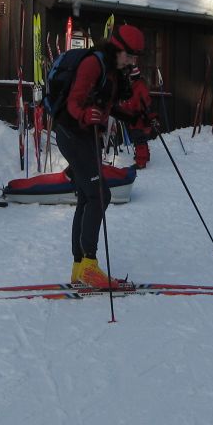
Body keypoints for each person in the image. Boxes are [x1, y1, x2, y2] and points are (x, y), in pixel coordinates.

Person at [55, 23, 144, 288]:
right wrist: (84, 114)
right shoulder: (93, 64)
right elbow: (74, 102)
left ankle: (79, 268)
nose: (132, 60)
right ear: (116, 48)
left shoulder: (115, 70)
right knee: (99, 194)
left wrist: (138, 117)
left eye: (135, 56)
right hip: (73, 134)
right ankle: (89, 266)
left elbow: (109, 104)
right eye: (129, 55)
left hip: (88, 136)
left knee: (87, 197)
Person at [117, 65, 159, 169]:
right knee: (142, 140)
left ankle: (141, 161)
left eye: (129, 77)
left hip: (140, 120)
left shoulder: (137, 88)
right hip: (142, 119)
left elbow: (135, 103)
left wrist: (124, 106)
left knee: (139, 140)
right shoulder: (139, 86)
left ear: (132, 78)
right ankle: (145, 155)